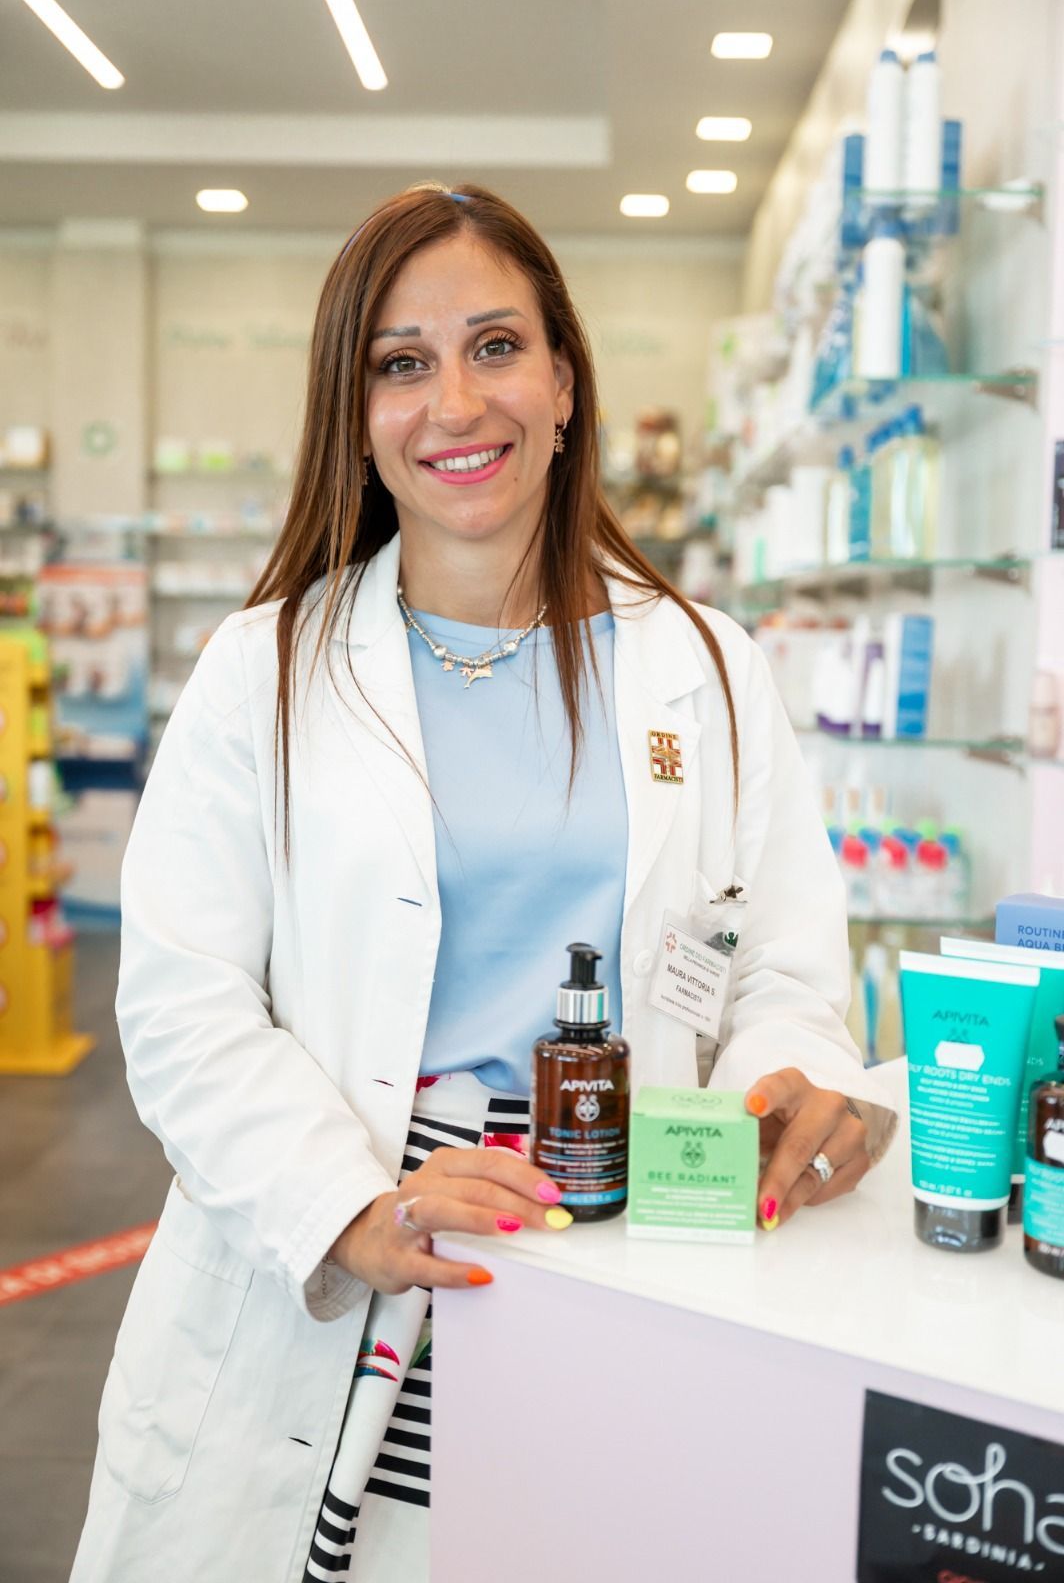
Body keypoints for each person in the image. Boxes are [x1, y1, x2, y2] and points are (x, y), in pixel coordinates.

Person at [71, 181, 896, 1583]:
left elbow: (785, 973)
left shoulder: (706, 665)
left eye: (497, 347)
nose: (455, 401)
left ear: (566, 381)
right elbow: (183, 1003)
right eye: (402, 362)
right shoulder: (260, 673)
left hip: (622, 1239)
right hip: (348, 1249)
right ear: (359, 411)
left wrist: (784, 1082)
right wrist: (353, 1208)